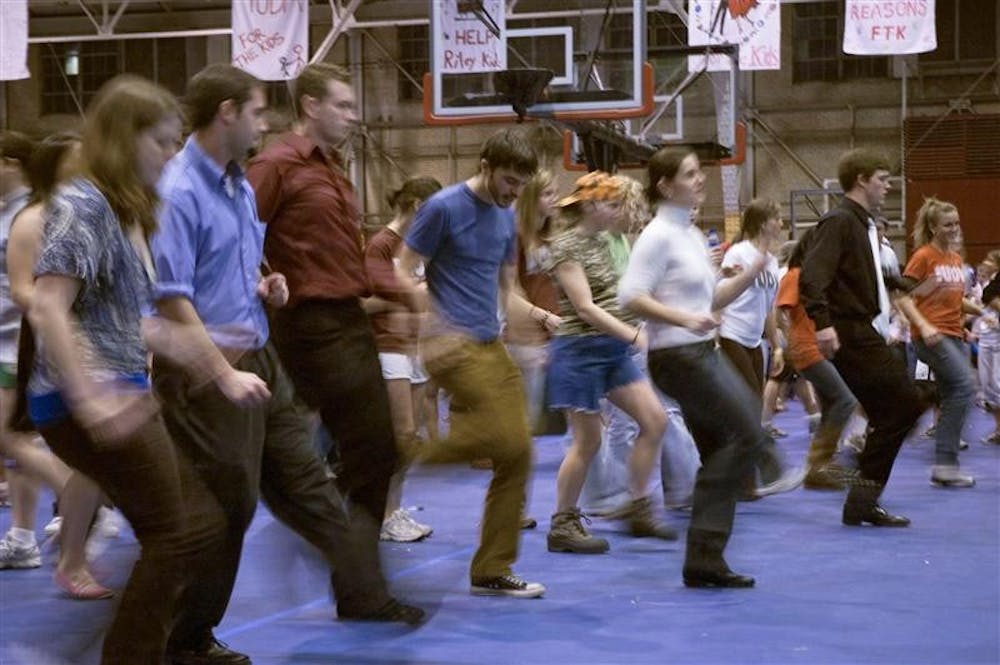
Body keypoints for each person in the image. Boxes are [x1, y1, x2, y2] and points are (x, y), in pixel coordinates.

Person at [151, 64, 423, 665]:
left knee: (308, 484)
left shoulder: (236, 185)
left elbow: (242, 258)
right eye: (255, 111)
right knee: (229, 508)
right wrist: (222, 373)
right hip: (211, 365)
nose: (264, 122)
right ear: (226, 112)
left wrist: (265, 283)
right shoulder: (184, 189)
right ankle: (182, 637)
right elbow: (170, 295)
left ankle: (363, 590)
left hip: (260, 352)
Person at [25, 74, 228, 665]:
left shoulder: (123, 210)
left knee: (194, 528)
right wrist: (89, 396)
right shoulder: (82, 204)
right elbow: (47, 305)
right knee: (181, 534)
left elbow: (118, 316)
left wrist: (186, 344)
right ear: (125, 139)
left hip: (120, 387)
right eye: (163, 142)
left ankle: (133, 646)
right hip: (81, 398)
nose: (172, 154)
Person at [246, 63, 401, 558]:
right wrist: (258, 279)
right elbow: (236, 233)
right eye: (343, 105)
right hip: (308, 322)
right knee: (372, 450)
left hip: (345, 319)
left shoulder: (330, 169)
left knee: (371, 453)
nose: (354, 116)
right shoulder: (277, 165)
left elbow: (344, 256)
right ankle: (354, 568)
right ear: (311, 106)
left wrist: (404, 292)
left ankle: (353, 564)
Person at [394, 128, 545, 598]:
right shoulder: (442, 208)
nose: (513, 192)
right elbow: (401, 267)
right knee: (503, 437)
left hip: (488, 343)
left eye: (521, 184)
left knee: (518, 453)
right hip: (449, 343)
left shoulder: (505, 218)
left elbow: (506, 288)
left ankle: (491, 568)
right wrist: (425, 316)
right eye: (508, 180)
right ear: (485, 164)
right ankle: (399, 453)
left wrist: (532, 325)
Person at [619, 147, 767, 588]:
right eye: (690, 174)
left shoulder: (688, 234)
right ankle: (706, 546)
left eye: (700, 172)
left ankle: (704, 562)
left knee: (721, 448)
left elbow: (710, 302)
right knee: (748, 436)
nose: (701, 179)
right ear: (665, 185)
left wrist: (750, 271)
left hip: (697, 349)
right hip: (679, 356)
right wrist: (684, 319)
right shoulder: (658, 234)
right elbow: (630, 297)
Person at [4, 131, 113, 597]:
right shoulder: (32, 219)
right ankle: (59, 534)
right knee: (26, 440)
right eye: (77, 162)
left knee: (61, 449)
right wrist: (63, 315)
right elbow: (26, 291)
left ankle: (50, 539)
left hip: (96, 350)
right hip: (35, 351)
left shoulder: (91, 216)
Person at [542, 171, 674, 555]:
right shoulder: (565, 246)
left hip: (612, 351)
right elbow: (584, 307)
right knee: (588, 440)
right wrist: (633, 335)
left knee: (655, 421)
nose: (619, 211)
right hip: (580, 351)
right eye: (613, 204)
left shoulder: (607, 241)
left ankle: (638, 507)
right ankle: (562, 523)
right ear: (590, 205)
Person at [799, 148, 925, 527]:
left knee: (897, 409)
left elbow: (854, 274)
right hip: (847, 330)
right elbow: (812, 276)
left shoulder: (862, 225)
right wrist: (822, 323)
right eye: (883, 179)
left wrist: (894, 283)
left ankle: (862, 496)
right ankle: (862, 488)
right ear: (861, 180)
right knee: (904, 404)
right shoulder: (840, 222)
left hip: (860, 328)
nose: (888, 186)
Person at [363, 176, 442, 542]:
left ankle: (391, 509)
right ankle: (383, 512)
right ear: (415, 207)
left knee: (409, 438)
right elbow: (363, 303)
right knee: (402, 434)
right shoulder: (381, 245)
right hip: (387, 346)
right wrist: (410, 296)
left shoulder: (418, 246)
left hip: (414, 345)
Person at [716, 198, 805, 498]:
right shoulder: (739, 253)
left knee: (750, 410)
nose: (781, 223)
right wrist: (715, 333)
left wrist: (777, 346)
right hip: (731, 334)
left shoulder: (769, 261)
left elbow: (769, 307)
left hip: (755, 340)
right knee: (749, 407)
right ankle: (750, 479)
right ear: (762, 222)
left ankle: (744, 480)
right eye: (776, 217)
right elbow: (721, 294)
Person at [897, 197, 980, 487]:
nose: (955, 229)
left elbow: (956, 301)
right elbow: (904, 297)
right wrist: (921, 324)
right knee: (964, 386)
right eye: (948, 224)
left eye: (957, 223)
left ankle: (942, 464)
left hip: (954, 335)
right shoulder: (924, 257)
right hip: (931, 336)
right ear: (933, 227)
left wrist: (984, 311)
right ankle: (946, 463)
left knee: (947, 394)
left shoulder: (955, 260)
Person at [776, 233, 859, 489]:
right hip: (805, 347)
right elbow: (781, 309)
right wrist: (784, 345)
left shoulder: (815, 276)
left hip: (816, 346)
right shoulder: (796, 274)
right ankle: (818, 461)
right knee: (845, 399)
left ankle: (820, 465)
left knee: (833, 401)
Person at [506, 168, 562, 432]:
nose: (555, 199)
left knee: (550, 417)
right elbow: (510, 288)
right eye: (547, 193)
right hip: (528, 334)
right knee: (527, 415)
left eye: (555, 193)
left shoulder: (551, 238)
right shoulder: (515, 236)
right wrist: (538, 317)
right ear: (531, 198)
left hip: (555, 331)